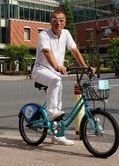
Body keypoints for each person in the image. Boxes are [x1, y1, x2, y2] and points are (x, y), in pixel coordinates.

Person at [32, 10, 93, 146]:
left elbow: (74, 50)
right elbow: (47, 51)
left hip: (55, 73)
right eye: (55, 19)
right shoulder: (44, 35)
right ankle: (50, 112)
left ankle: (57, 136)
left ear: (64, 22)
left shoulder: (66, 34)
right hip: (41, 70)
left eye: (61, 20)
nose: (58, 22)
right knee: (55, 82)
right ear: (50, 21)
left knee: (58, 105)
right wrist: (57, 66)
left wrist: (85, 67)